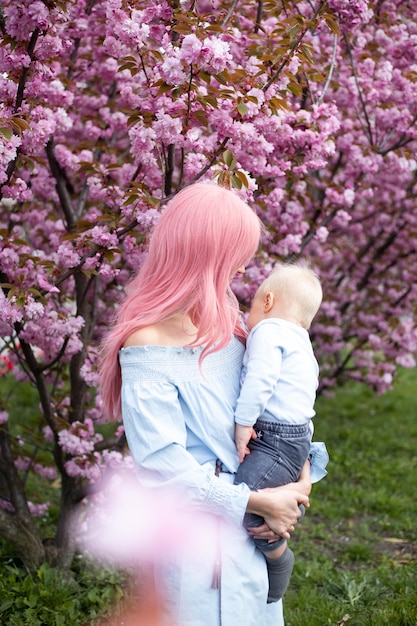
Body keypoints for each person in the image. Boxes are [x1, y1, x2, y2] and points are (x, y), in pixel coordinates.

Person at [99, 182, 311, 626]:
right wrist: (255, 502)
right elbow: (163, 465)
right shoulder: (148, 344)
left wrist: (300, 482)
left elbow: (280, 404)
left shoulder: (232, 328)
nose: (239, 272)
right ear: (203, 259)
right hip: (196, 540)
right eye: (232, 261)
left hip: (252, 531)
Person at [234, 263, 327, 604]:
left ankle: (277, 553)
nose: (249, 315)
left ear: (268, 300)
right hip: (295, 435)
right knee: (252, 494)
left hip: (275, 437)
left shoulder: (268, 331)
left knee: (241, 497)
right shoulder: (301, 340)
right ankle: (286, 508)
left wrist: (244, 424)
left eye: (252, 306)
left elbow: (261, 379)